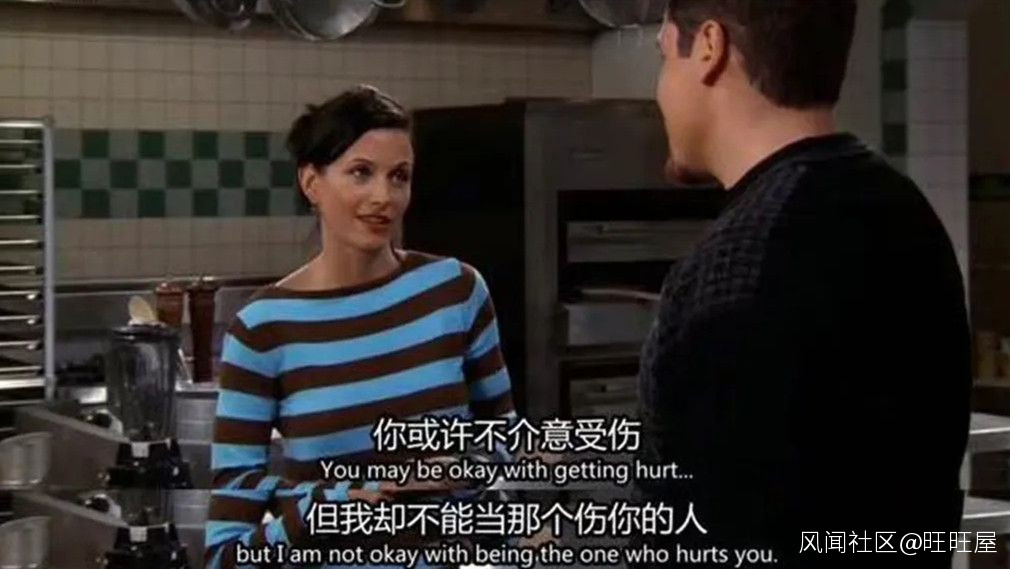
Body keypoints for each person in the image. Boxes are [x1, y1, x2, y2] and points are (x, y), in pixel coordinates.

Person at [635, 1, 970, 567]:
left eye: (665, 55)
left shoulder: (739, 268)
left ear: (710, 48)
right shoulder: (904, 212)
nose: (661, 90)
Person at [204, 85, 516, 569]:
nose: (383, 197)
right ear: (312, 183)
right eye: (361, 173)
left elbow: (506, 443)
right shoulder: (263, 329)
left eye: (399, 176)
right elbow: (226, 551)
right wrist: (335, 506)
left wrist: (464, 470)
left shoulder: (455, 291)